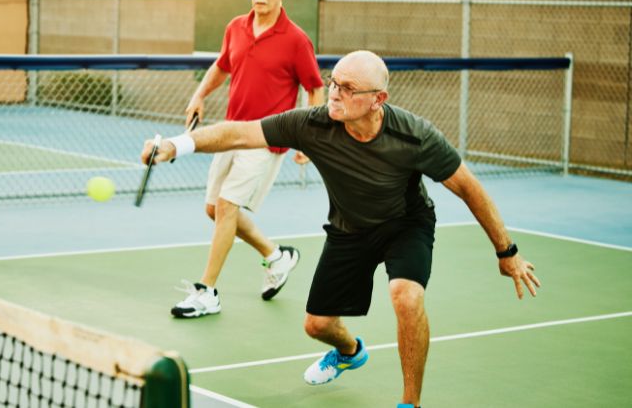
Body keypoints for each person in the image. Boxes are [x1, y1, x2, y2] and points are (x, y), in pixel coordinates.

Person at [142, 50, 541, 407]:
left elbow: (469, 188)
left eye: (348, 88)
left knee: (406, 297)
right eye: (333, 82)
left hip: (406, 224)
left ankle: (409, 403)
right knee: (317, 325)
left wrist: (506, 252)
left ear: (377, 100)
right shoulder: (313, 124)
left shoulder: (415, 136)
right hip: (349, 228)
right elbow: (239, 132)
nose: (334, 93)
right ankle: (350, 352)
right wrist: (178, 146)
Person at [171, 0, 325, 319]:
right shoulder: (236, 26)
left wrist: (307, 138)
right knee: (214, 209)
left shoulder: (296, 40)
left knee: (226, 208)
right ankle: (277, 256)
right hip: (229, 132)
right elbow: (223, 64)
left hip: (266, 139)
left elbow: (315, 89)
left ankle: (207, 292)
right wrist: (199, 95)